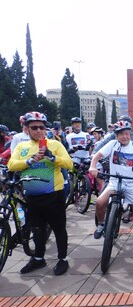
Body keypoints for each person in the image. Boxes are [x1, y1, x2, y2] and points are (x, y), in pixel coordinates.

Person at [7, 111, 73, 275]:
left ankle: (62, 259)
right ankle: (38, 259)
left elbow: (69, 164)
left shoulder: (55, 144)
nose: (38, 130)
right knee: (37, 229)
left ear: (45, 129)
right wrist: (29, 161)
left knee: (59, 229)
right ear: (27, 128)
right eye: (33, 127)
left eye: (41, 127)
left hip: (53, 195)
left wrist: (52, 158)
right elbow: (11, 165)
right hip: (32, 196)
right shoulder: (22, 146)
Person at [88, 120, 133, 253]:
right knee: (99, 202)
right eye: (121, 134)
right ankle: (101, 224)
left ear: (130, 134)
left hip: (132, 183)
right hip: (115, 181)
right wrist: (93, 166)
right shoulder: (112, 144)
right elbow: (97, 155)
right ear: (116, 135)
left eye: (127, 133)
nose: (124, 136)